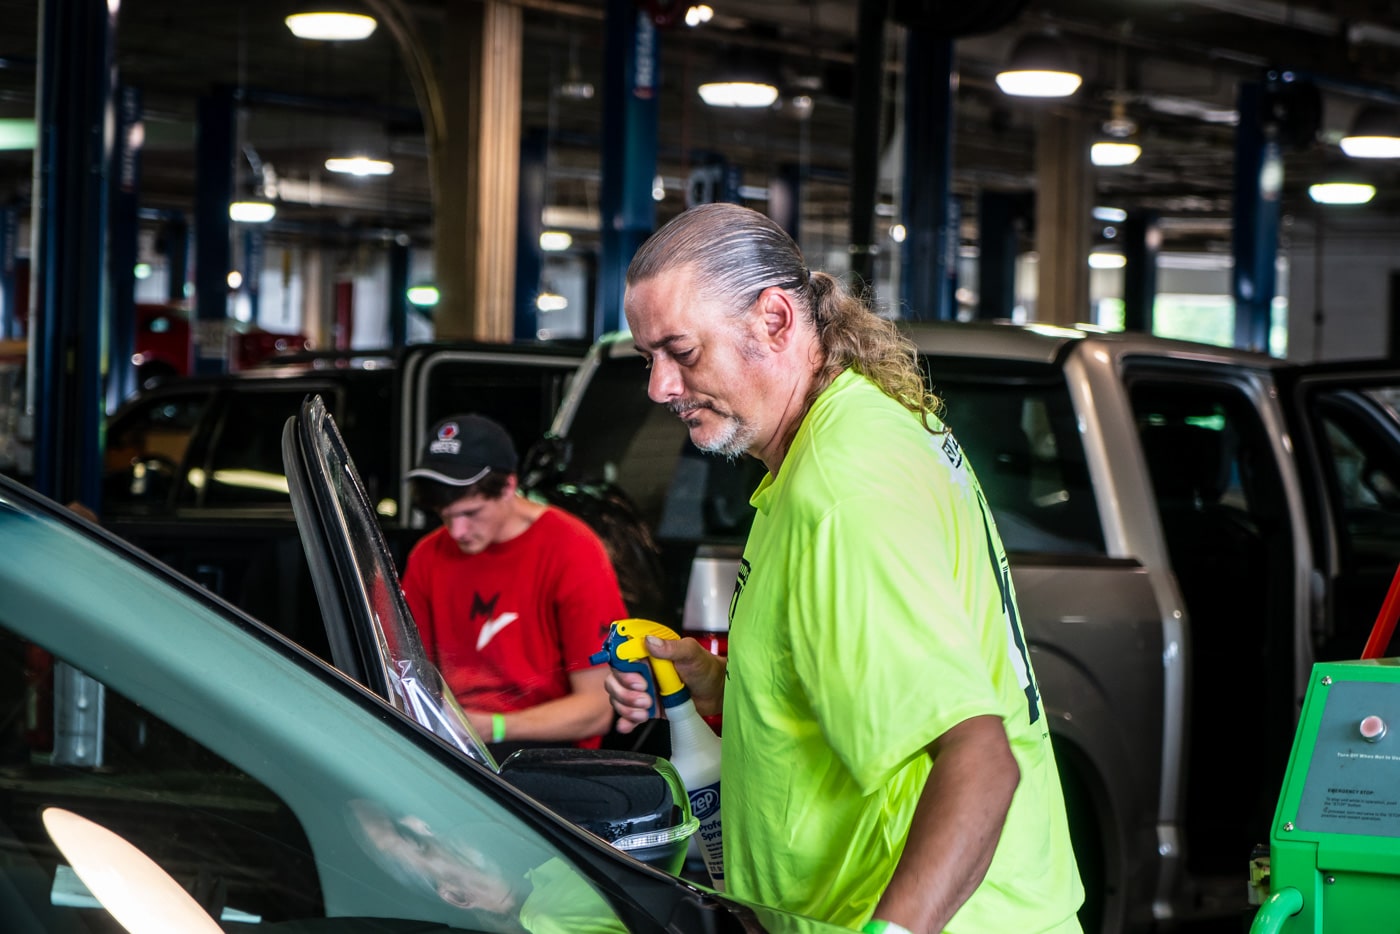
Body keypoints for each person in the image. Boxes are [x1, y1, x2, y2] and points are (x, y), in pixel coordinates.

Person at [606, 203, 1084, 934]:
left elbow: (979, 762)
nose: (659, 387)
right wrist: (730, 687)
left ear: (773, 320)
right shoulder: (841, 436)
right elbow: (861, 678)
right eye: (650, 359)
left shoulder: (843, 489)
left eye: (683, 352)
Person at [401, 413, 624, 756]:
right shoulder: (428, 556)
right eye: (445, 515)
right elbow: (408, 675)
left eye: (471, 513)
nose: (457, 531)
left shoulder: (572, 549)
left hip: (546, 754)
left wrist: (493, 727)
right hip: (454, 743)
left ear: (508, 487)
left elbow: (597, 709)